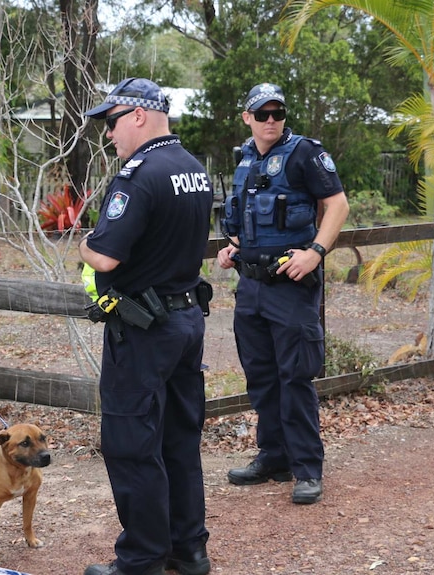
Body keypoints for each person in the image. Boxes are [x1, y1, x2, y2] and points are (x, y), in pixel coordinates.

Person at [79, 78, 213, 575]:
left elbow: (106, 254)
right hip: (185, 320)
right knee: (179, 439)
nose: (109, 135)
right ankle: (188, 548)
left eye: (111, 123)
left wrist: (83, 247)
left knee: (131, 442)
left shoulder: (139, 174)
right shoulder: (194, 169)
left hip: (143, 330)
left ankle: (141, 559)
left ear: (137, 115)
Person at [217, 83, 349, 505]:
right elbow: (249, 221)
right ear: (247, 117)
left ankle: (307, 468)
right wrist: (234, 248)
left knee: (295, 378)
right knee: (262, 378)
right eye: (262, 114)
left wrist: (316, 252)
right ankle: (274, 457)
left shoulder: (305, 153)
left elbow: (338, 204)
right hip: (251, 286)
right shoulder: (245, 160)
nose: (271, 120)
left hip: (291, 287)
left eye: (277, 113)